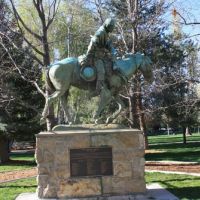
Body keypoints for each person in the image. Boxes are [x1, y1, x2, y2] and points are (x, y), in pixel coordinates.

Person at [80, 18, 117, 93]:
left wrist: (111, 48)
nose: (113, 28)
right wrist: (88, 55)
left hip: (101, 55)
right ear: (108, 26)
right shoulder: (100, 32)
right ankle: (97, 90)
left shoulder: (105, 33)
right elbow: (92, 43)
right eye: (112, 26)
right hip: (95, 56)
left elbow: (106, 43)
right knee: (101, 71)